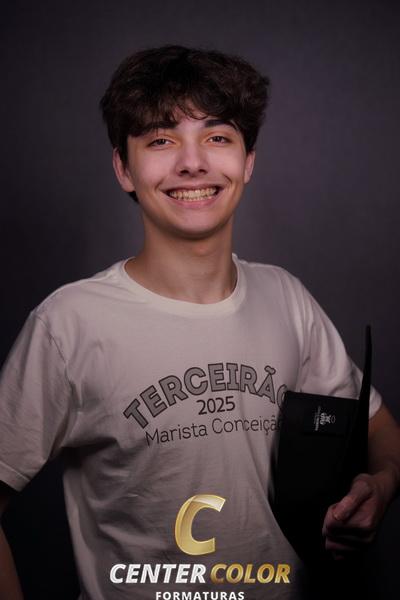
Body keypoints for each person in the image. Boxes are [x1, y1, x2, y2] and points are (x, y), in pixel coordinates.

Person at [0, 45, 399, 600]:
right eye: (161, 140)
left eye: (217, 137)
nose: (193, 163)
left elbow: (379, 430)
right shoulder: (68, 325)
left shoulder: (286, 298)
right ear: (123, 168)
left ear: (247, 162)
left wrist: (380, 484)